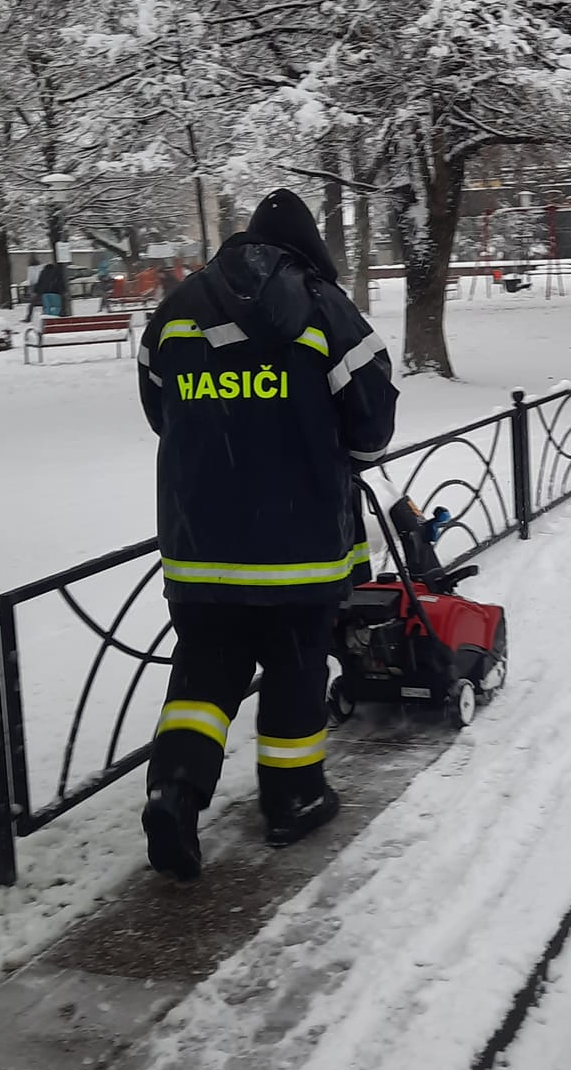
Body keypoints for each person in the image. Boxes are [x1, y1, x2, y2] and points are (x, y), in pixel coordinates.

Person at [137, 188, 397, 879]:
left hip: (201, 544)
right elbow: (372, 421)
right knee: (293, 666)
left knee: (204, 669)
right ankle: (293, 798)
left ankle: (175, 793)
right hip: (299, 545)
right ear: (310, 247)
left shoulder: (180, 307)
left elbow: (157, 405)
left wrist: (217, 443)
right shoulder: (325, 309)